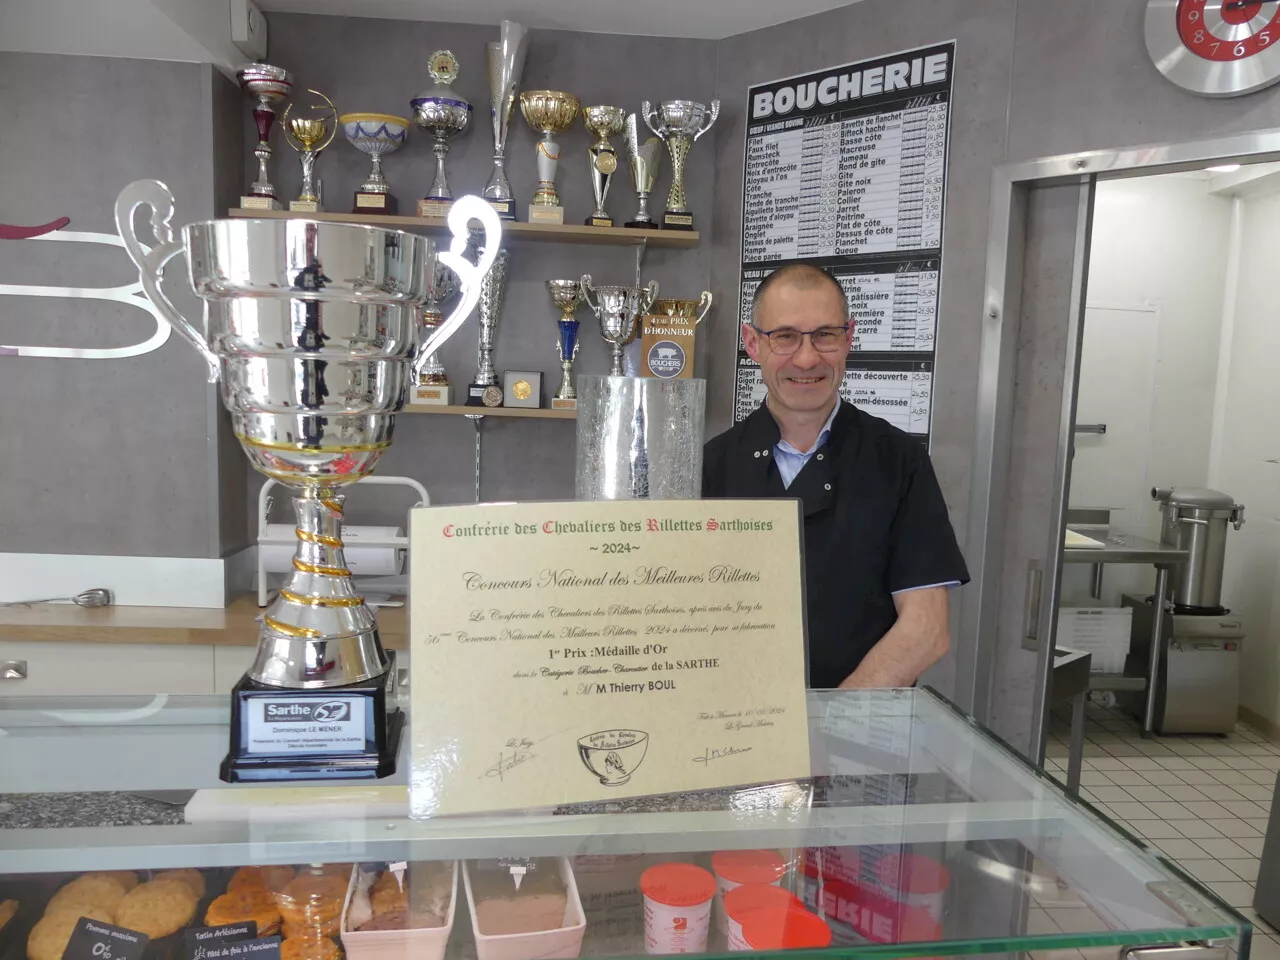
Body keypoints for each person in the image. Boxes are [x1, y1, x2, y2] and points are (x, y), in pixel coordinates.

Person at [702, 264, 969, 689]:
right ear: (753, 343)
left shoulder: (899, 461)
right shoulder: (709, 467)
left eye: (825, 335)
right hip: (732, 724)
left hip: (862, 735)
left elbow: (926, 631)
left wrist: (829, 725)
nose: (807, 358)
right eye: (785, 336)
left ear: (848, 338)